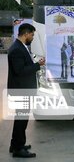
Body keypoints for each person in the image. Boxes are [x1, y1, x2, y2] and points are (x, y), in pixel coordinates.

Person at [7, 23, 45, 158]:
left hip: (21, 89)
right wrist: (37, 65)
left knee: (20, 119)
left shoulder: (20, 46)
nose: (33, 37)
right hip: (21, 90)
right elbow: (20, 71)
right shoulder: (17, 49)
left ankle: (15, 144)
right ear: (26, 34)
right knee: (21, 119)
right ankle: (18, 149)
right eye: (32, 34)